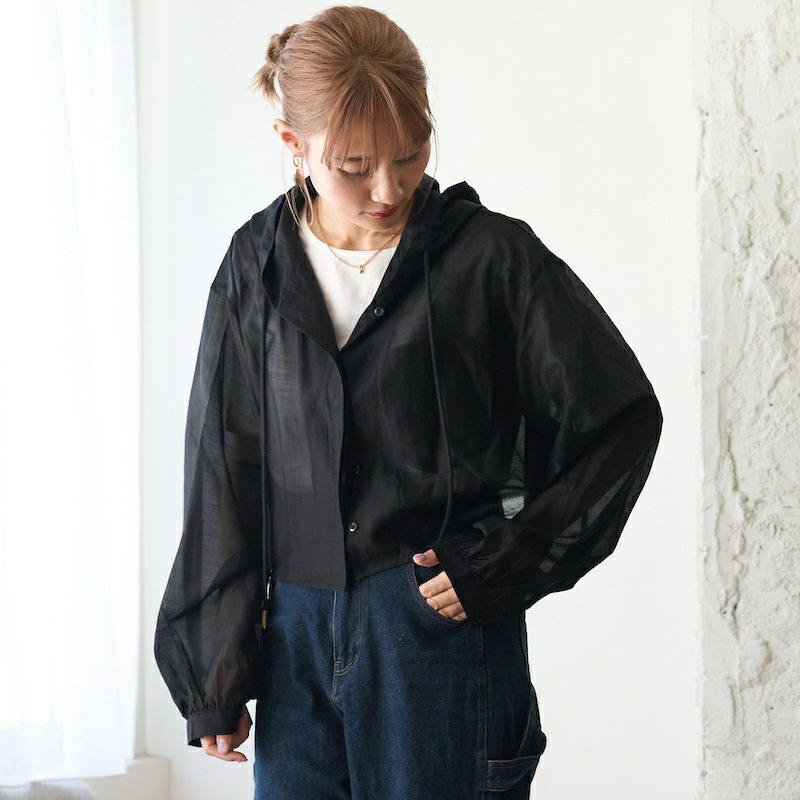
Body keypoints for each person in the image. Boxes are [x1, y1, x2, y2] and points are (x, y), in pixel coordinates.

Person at [153, 6, 664, 799]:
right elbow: (223, 462)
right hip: (293, 641)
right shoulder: (255, 266)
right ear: (293, 144)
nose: (389, 189)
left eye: (410, 154)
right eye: (355, 167)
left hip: (436, 636)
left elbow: (619, 421)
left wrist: (503, 564)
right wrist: (213, 671)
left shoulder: (491, 258)